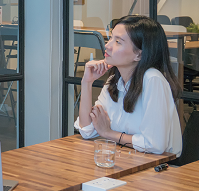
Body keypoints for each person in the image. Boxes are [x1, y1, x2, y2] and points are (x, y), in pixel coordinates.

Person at [75, 15, 182, 156]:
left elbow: (154, 145)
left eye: (118, 42)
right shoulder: (114, 81)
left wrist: (108, 133)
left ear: (138, 55)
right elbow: (87, 130)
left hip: (160, 168)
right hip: (125, 159)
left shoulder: (153, 79)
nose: (107, 45)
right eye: (111, 38)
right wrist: (87, 83)